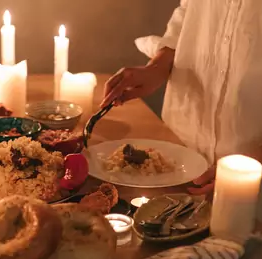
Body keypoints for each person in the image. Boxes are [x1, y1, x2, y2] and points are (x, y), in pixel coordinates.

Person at [100, 0, 262, 195]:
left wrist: (251, 165)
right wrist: (158, 67)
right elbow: (189, 10)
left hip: (250, 173)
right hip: (180, 147)